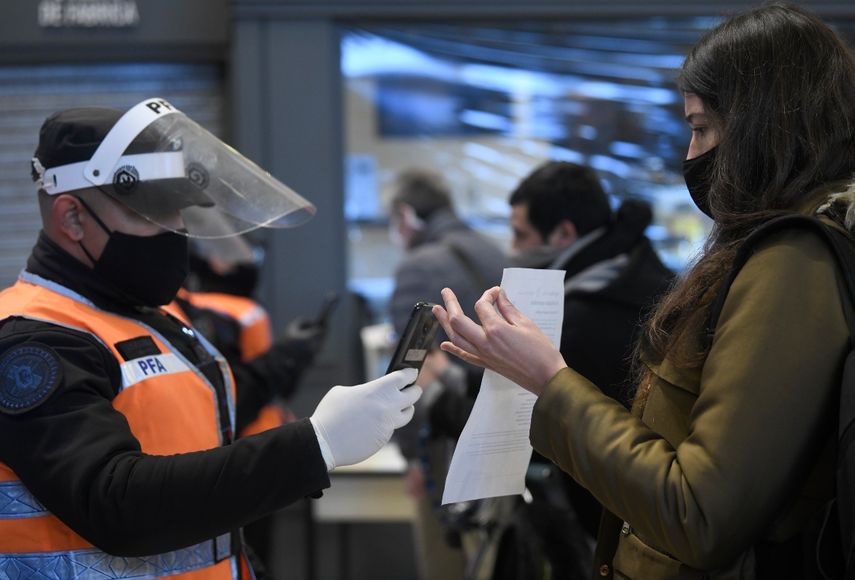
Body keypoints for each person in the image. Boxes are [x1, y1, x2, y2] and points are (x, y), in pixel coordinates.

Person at [432, 4, 855, 578]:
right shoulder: (791, 247)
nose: (691, 154)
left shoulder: (791, 260)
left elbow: (697, 513)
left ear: (764, 126)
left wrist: (548, 381)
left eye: (702, 129)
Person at [0, 98, 421, 578]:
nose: (174, 230)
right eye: (150, 213)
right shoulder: (33, 340)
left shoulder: (146, 317)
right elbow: (116, 502)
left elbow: (198, 447)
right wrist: (314, 446)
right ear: (72, 219)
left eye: (176, 211)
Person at [175, 236, 331, 574]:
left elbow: (267, 390)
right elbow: (227, 401)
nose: (251, 260)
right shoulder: (207, 312)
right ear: (214, 256)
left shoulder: (232, 308)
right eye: (244, 250)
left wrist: (294, 357)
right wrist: (284, 358)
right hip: (227, 465)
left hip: (255, 459)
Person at [387, 168, 507, 580]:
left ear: (405, 215)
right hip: (500, 430)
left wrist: (413, 457)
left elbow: (409, 371)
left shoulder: (417, 267)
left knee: (447, 562)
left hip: (444, 441)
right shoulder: (495, 251)